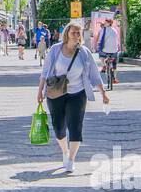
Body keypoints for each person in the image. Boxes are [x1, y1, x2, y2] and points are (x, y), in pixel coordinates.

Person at [36, 22, 109, 172]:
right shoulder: (56, 50)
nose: (76, 35)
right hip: (56, 93)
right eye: (73, 33)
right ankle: (64, 151)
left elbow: (94, 75)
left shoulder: (84, 52)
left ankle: (71, 160)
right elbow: (45, 72)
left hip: (78, 94)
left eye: (78, 33)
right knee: (58, 128)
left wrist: (104, 94)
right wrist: (40, 91)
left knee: (75, 128)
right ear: (67, 33)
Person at [96, 17, 121, 84]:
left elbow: (100, 40)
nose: (104, 23)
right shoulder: (115, 30)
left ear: (109, 23)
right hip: (114, 50)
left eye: (106, 22)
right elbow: (117, 41)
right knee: (115, 65)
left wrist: (97, 45)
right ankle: (115, 78)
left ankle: (103, 65)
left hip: (105, 50)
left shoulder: (102, 30)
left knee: (100, 53)